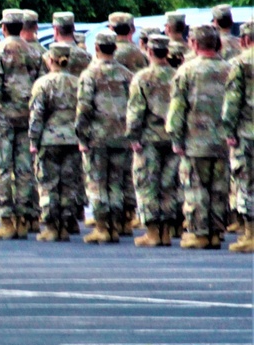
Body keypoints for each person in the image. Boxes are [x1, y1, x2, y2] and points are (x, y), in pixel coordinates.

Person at [167, 24, 232, 249]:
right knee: (219, 189)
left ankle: (200, 232)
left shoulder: (186, 71)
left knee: (196, 189)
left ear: (194, 44)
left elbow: (177, 109)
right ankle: (215, 232)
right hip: (223, 141)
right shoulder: (229, 69)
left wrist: (176, 138)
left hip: (195, 142)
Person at [0, 9, 41, 239]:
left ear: (4, 27)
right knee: (25, 169)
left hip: (5, 117)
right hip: (27, 117)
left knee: (1, 169)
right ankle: (25, 218)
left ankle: (7, 220)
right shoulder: (35, 52)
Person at [76, 30, 134, 244]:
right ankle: (115, 226)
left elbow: (84, 108)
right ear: (115, 48)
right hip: (121, 136)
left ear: (97, 48)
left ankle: (102, 227)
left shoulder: (90, 75)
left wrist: (81, 137)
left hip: (97, 137)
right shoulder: (127, 75)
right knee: (117, 183)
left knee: (98, 182)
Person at [125, 34, 179, 247]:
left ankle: (153, 232)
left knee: (147, 183)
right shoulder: (177, 75)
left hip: (148, 138)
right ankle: (166, 231)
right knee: (168, 185)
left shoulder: (142, 78)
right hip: (172, 138)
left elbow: (136, 111)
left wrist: (133, 136)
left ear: (148, 51)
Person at [28, 43, 80, 242]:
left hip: (49, 140)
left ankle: (51, 226)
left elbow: (37, 115)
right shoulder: (78, 83)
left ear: (50, 60)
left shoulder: (42, 84)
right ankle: (66, 225)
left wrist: (34, 140)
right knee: (68, 183)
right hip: (72, 139)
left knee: (49, 183)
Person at [222, 21, 254, 253]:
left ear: (243, 40)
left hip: (247, 132)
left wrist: (229, 130)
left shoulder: (240, 63)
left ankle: (251, 234)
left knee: (246, 182)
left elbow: (232, 102)